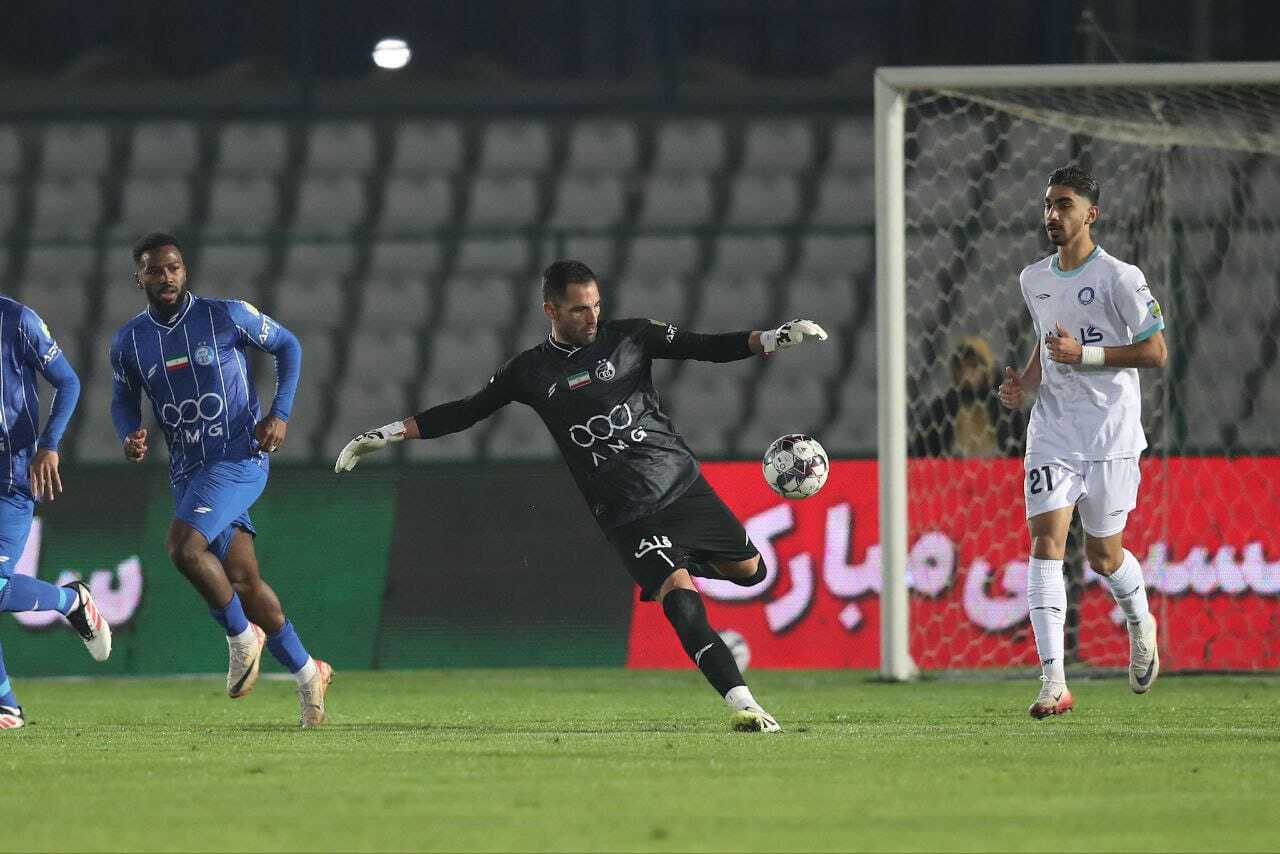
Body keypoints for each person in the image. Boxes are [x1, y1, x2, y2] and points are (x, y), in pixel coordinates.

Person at [335, 260, 829, 733]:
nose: (592, 317)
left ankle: (683, 561)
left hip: (682, 486)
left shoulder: (631, 337)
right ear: (550, 310)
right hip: (626, 513)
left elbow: (706, 346)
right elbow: (466, 410)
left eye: (595, 305)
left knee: (752, 572)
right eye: (578, 309)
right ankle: (744, 704)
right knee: (680, 601)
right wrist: (391, 433)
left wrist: (772, 338)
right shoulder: (530, 371)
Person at [109, 232, 332, 727]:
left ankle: (241, 636)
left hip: (238, 457)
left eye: (173, 267)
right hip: (188, 471)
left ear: (184, 271)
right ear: (139, 278)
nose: (165, 277)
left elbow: (288, 346)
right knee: (244, 582)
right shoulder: (129, 342)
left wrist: (280, 413)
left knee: (183, 547)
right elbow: (123, 399)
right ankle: (309, 673)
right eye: (154, 270)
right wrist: (129, 433)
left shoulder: (226, 315)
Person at [998, 165, 1167, 719]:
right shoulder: (1033, 279)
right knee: (1046, 542)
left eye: (1064, 205)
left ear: (1091, 214)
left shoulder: (1121, 277)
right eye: (1048, 204)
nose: (1052, 214)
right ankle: (1054, 683)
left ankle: (1140, 622)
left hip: (1111, 434)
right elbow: (1046, 340)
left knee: (1103, 555)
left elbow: (1156, 352)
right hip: (1052, 432)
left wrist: (1086, 355)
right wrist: (1026, 384)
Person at [0, 294, 110, 730]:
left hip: (11, 479)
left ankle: (71, 600)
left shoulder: (17, 320)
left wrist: (49, 445)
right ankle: (6, 707)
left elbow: (68, 382)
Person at [909, 335, 1025, 458]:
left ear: (987, 370)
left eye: (974, 366)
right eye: (961, 367)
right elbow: (919, 452)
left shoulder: (1005, 407)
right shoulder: (942, 409)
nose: (967, 374)